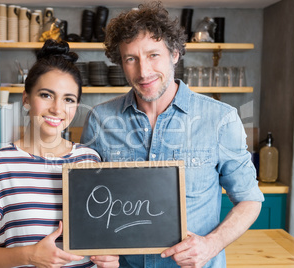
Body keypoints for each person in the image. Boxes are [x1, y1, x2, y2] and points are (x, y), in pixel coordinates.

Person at [80, 2, 264, 267]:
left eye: (153, 55)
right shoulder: (101, 120)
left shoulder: (220, 119)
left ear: (175, 53)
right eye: (131, 59)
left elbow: (249, 199)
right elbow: (88, 201)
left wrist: (210, 244)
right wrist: (97, 248)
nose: (143, 72)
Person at [0, 40, 119, 268]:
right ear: (26, 99)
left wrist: (109, 259)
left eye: (68, 99)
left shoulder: (89, 160)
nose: (57, 109)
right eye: (46, 95)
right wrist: (30, 255)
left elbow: (104, 238)